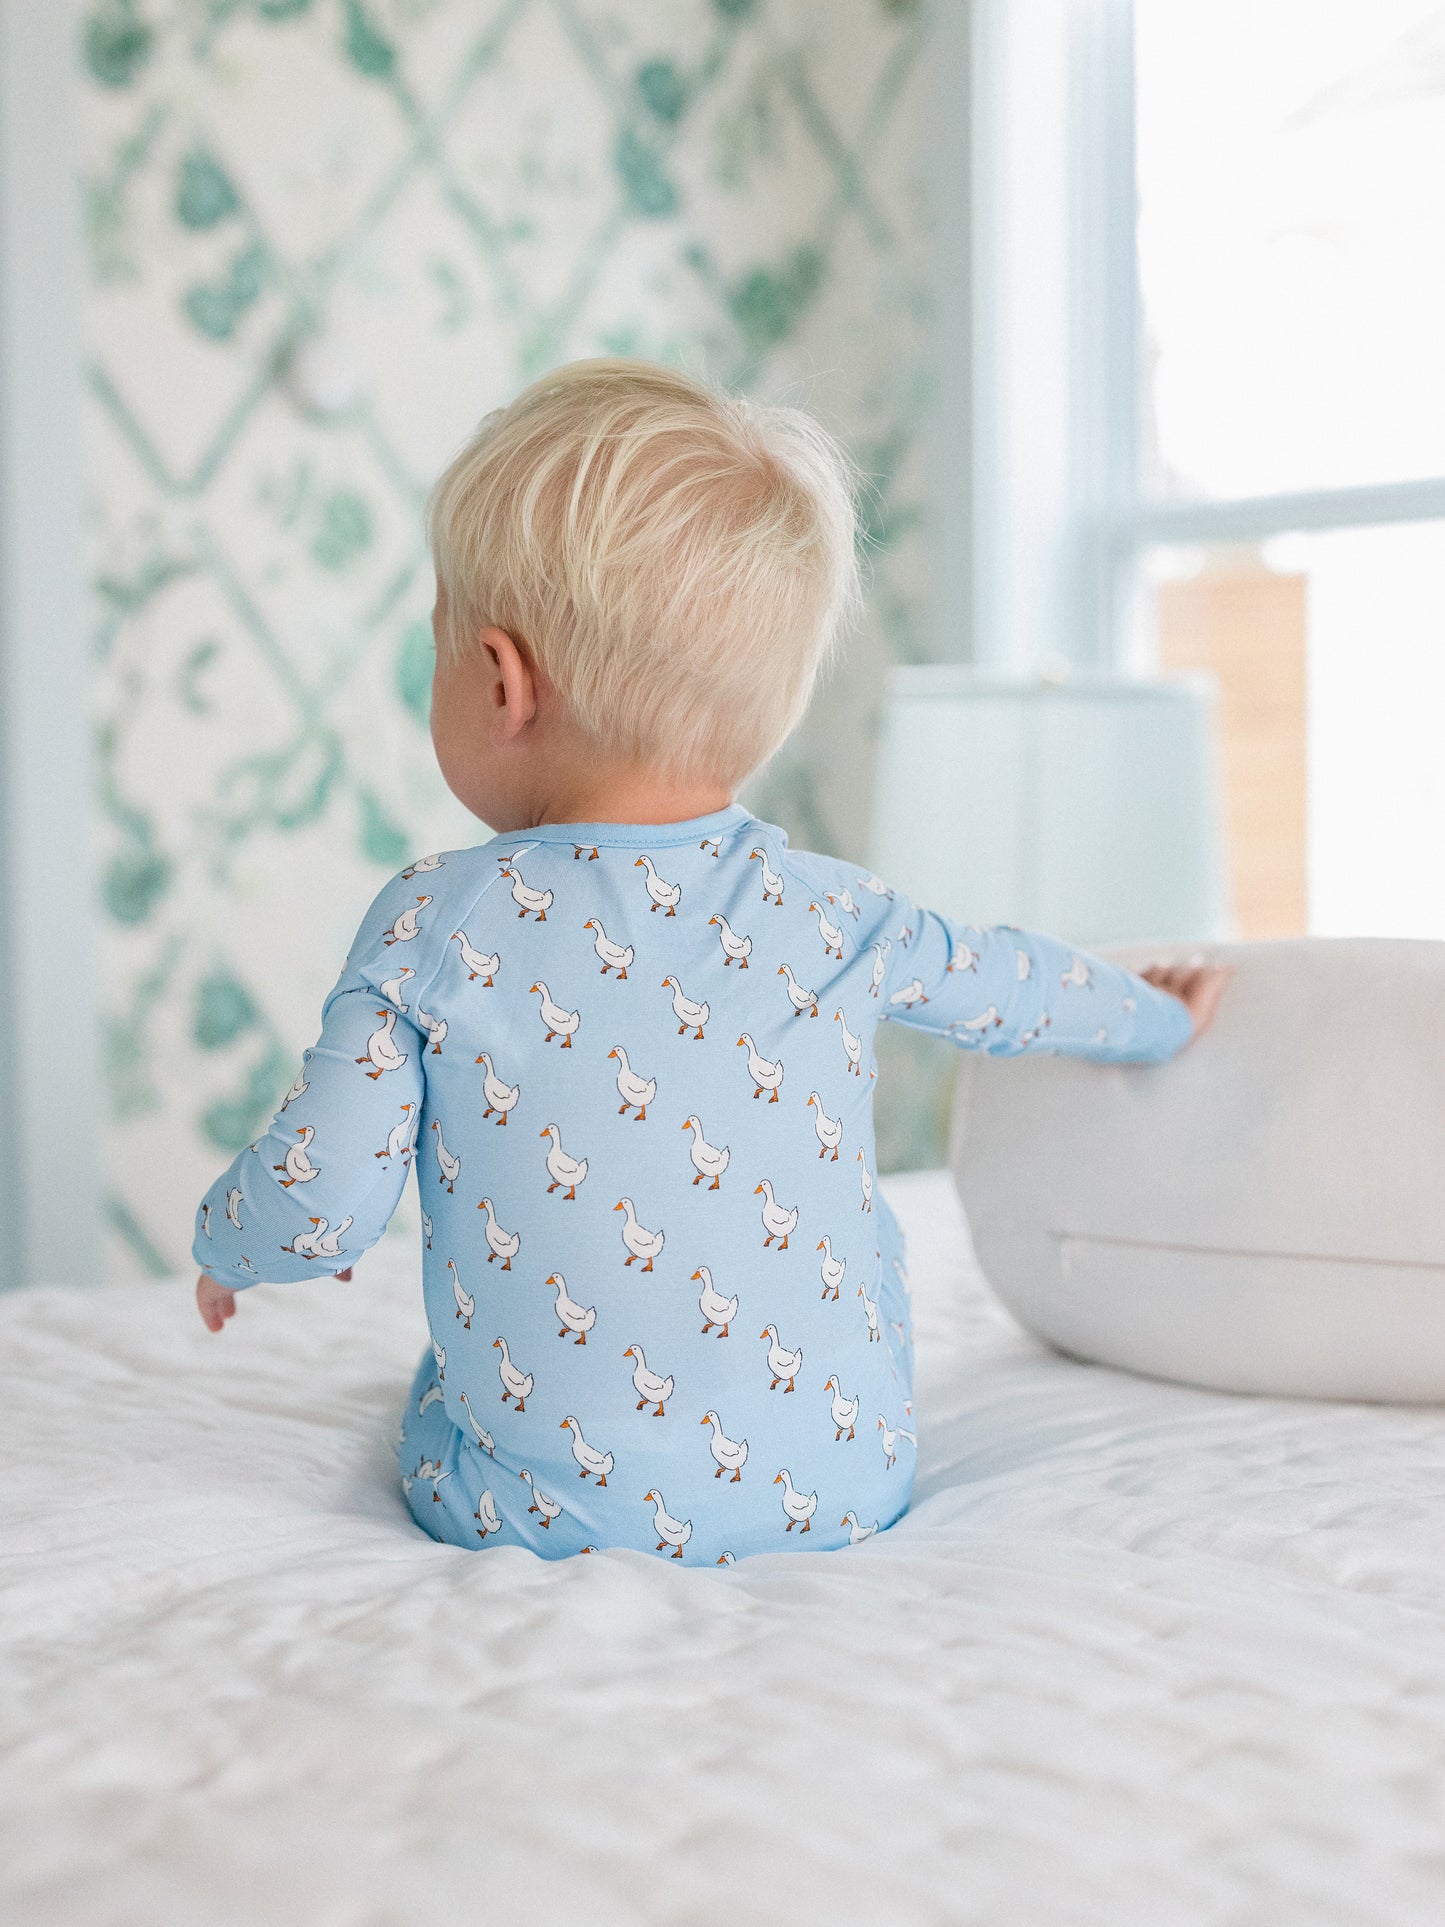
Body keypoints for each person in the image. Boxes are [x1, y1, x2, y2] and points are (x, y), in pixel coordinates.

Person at [192, 358, 1227, 1561]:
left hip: (529, 1519)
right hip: (844, 1487)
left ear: (498, 681)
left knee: (435, 1401)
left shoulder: (434, 921)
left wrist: (226, 1246)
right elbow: (1013, 986)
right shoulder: (840, 914)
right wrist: (1156, 1015)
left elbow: (320, 1203)